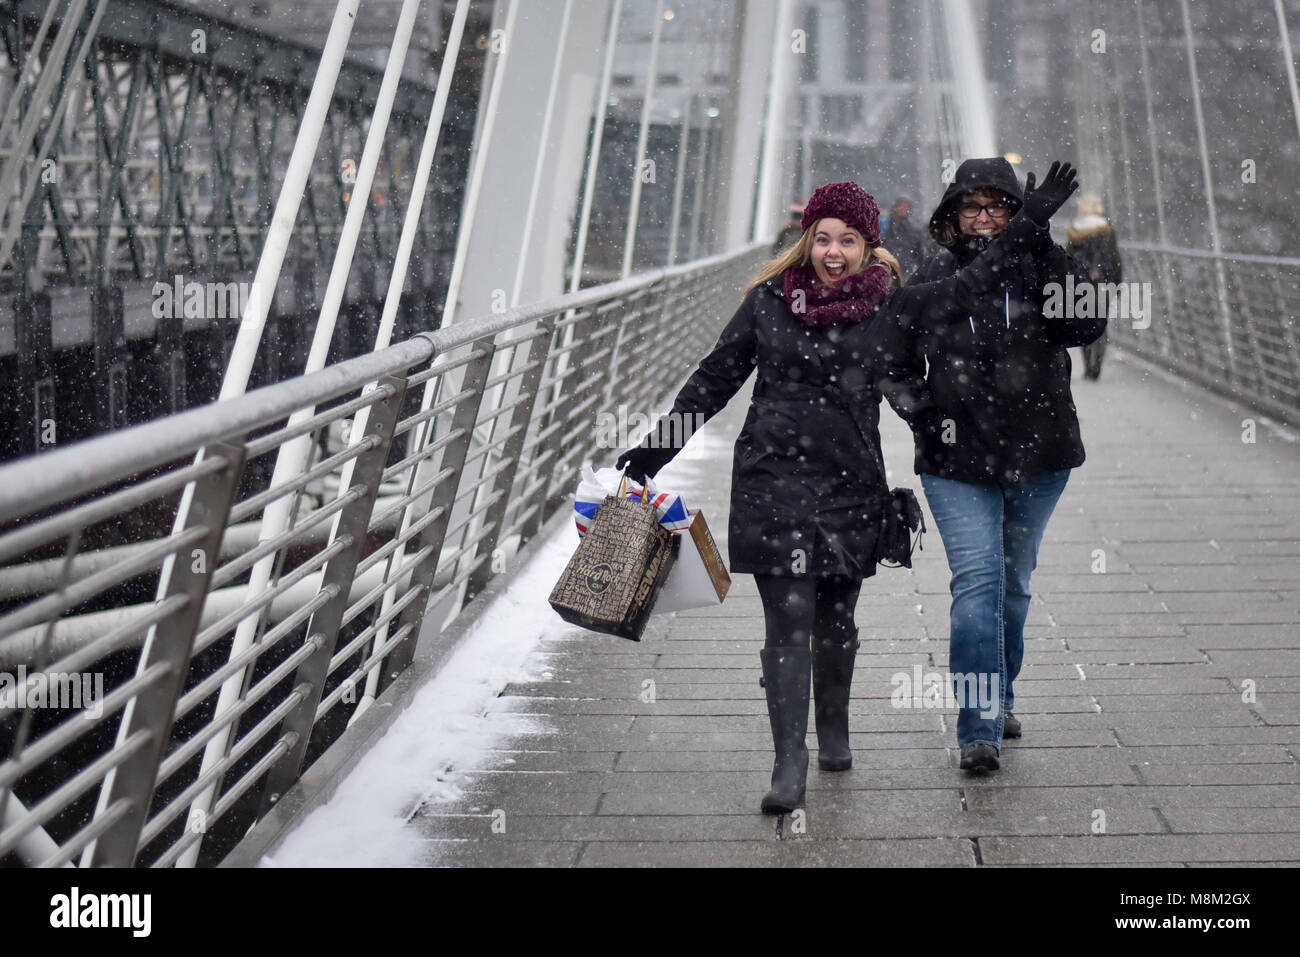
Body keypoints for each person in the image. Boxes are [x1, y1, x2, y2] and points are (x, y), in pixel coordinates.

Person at [617, 171, 1079, 812]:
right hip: (770, 481)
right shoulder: (768, 301)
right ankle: (790, 764)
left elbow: (967, 290)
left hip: (849, 483)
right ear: (806, 240)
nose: (834, 253)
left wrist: (1029, 225)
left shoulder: (893, 307)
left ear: (870, 247)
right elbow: (713, 379)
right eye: (823, 238)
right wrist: (654, 452)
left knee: (836, 618)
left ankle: (834, 736)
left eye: (850, 240)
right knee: (788, 619)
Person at [887, 158, 1099, 773]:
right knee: (976, 587)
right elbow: (894, 363)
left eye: (998, 206)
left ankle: (1001, 694)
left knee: (1013, 587)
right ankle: (978, 725)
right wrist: (925, 418)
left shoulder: (1041, 268)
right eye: (971, 207)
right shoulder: (934, 276)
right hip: (956, 462)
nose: (984, 217)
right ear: (951, 216)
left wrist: (1042, 238)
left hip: (1040, 456)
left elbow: (1084, 325)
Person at [1066, 192, 1123, 380]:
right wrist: (1115, 282)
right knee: (1100, 324)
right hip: (1102, 285)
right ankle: (1096, 366)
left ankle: (1087, 364)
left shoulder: (1075, 229)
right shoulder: (1106, 229)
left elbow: (1067, 258)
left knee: (1084, 324)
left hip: (1080, 284)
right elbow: (1113, 259)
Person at [882, 196, 926, 276]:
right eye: (901, 206)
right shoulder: (886, 225)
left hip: (907, 269)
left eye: (906, 206)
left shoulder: (914, 229)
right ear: (895, 207)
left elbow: (919, 252)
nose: (903, 209)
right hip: (890, 268)